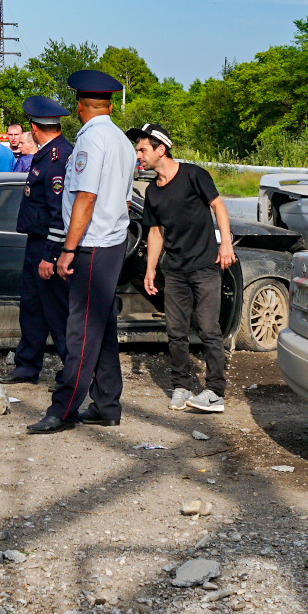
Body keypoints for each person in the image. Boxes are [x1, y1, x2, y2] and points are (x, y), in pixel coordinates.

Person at [30, 71, 133, 434]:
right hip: (113, 241)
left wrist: (67, 250)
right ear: (107, 104)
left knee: (81, 331)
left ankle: (63, 409)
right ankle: (107, 403)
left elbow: (84, 199)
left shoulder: (90, 141)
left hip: (92, 244)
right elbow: (124, 198)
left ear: (79, 107)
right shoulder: (121, 139)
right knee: (102, 327)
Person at [130, 122, 235, 413]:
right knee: (175, 331)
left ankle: (215, 392)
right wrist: (151, 269)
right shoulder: (152, 191)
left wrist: (225, 243)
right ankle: (181, 385)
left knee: (209, 329)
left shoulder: (193, 175)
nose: (138, 155)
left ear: (160, 149)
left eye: (142, 149)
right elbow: (154, 232)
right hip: (174, 270)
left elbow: (218, 206)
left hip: (204, 266)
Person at [0, 95, 72, 386]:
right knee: (31, 309)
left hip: (48, 247)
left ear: (35, 127)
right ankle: (27, 367)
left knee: (58, 314)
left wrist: (50, 256)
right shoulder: (45, 154)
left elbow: (60, 215)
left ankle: (74, 371)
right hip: (36, 244)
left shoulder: (58, 159)